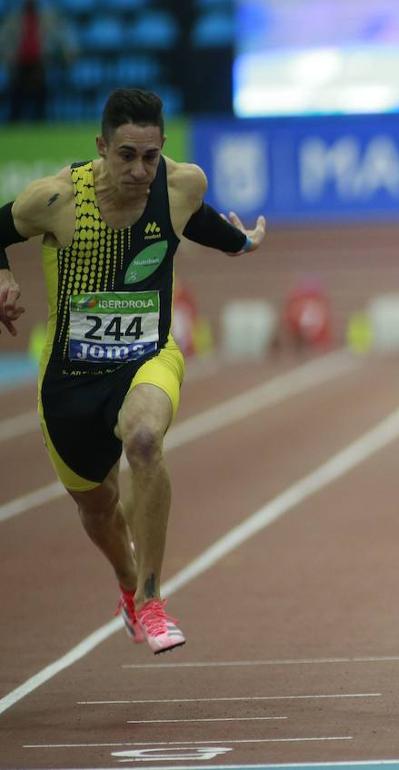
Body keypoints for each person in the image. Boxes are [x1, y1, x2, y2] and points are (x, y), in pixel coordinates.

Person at [0, 88, 266, 654]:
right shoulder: (52, 201)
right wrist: (2, 278)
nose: (140, 170)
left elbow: (199, 224)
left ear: (163, 148)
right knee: (97, 508)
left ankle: (151, 599)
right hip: (69, 379)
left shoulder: (181, 185)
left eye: (150, 156)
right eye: (126, 156)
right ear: (101, 147)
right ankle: (126, 581)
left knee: (144, 440)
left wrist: (244, 242)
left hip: (148, 356)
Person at [1, 0, 76, 122]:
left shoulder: (48, 17)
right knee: (16, 99)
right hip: (19, 64)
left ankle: (40, 120)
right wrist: (7, 57)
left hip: (40, 64)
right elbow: (4, 41)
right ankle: (15, 121)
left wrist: (67, 53)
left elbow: (63, 38)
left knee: (40, 98)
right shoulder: (13, 18)